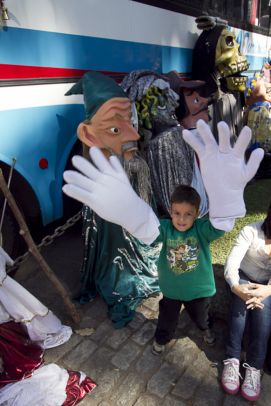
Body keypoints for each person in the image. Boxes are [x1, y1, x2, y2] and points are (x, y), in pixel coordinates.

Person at [65, 71, 160, 328]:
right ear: (88, 134)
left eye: (130, 122)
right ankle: (116, 274)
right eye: (116, 128)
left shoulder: (128, 159)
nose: (134, 135)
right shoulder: (97, 164)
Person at [151, 183, 224, 354]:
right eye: (177, 213)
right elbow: (149, 233)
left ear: (197, 214)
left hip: (198, 291)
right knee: (166, 319)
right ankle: (161, 339)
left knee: (202, 318)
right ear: (170, 211)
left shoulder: (202, 229)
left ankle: (206, 331)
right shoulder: (165, 227)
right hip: (172, 290)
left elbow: (220, 228)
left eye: (188, 214)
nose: (181, 219)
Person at [221, 203, 271, 401]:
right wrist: (236, 288)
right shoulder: (250, 230)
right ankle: (232, 360)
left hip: (267, 285)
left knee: (264, 316)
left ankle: (254, 367)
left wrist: (268, 290)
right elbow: (231, 263)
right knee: (240, 310)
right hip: (243, 277)